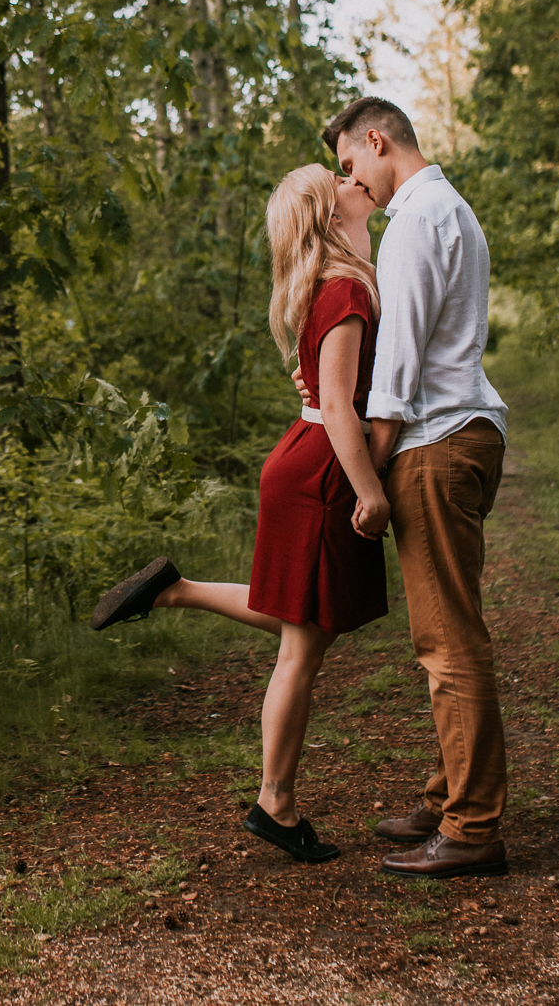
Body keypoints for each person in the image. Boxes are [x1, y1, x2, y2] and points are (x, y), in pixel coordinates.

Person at [89, 164, 388, 864]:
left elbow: (331, 383)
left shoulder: (335, 281)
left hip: (304, 455)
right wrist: (370, 491)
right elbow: (341, 404)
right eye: (339, 177)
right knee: (302, 647)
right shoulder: (343, 287)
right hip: (322, 467)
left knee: (300, 616)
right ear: (326, 210)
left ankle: (175, 589)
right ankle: (274, 803)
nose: (355, 178)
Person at [319, 94, 512, 880]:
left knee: (448, 641)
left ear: (376, 140)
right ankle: (446, 796)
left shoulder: (410, 226)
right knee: (445, 628)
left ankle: (472, 827)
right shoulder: (452, 208)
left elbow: (395, 371)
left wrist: (366, 472)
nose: (351, 182)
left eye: (349, 165)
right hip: (464, 431)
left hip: (434, 442)